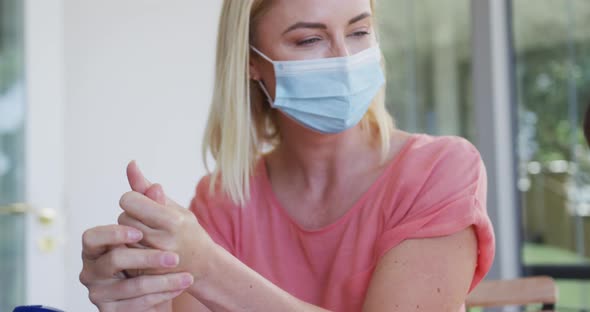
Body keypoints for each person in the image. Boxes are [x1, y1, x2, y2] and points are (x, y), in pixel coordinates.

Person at [79, 0, 495, 311]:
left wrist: (207, 267)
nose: (344, 59)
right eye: (310, 39)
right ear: (251, 63)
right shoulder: (224, 199)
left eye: (358, 31)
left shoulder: (440, 171)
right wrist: (144, 299)